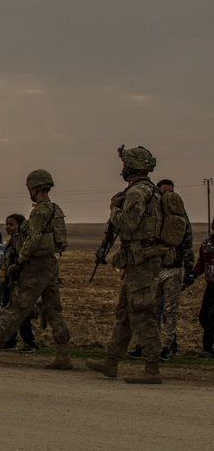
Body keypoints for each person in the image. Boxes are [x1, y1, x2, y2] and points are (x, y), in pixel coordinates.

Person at [0, 170, 73, 369]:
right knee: (53, 309)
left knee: (17, 306)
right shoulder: (56, 209)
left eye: (30, 188)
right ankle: (64, 354)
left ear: (35, 188)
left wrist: (20, 260)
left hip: (35, 266)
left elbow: (33, 238)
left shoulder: (39, 211)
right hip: (50, 264)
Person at [86, 146, 166, 384]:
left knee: (142, 314)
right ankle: (111, 361)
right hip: (138, 262)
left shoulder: (137, 192)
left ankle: (152, 367)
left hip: (141, 262)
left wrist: (113, 210)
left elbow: (129, 224)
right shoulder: (151, 191)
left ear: (131, 167)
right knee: (124, 314)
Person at [127, 178, 194, 361]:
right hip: (154, 268)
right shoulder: (153, 214)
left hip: (173, 268)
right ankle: (149, 346)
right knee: (151, 309)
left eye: (171, 192)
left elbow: (187, 242)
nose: (168, 196)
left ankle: (166, 347)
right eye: (165, 192)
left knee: (170, 311)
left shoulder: (179, 216)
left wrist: (189, 271)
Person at [0, 214, 39, 352]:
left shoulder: (22, 243)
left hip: (19, 283)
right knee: (8, 313)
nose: (7, 227)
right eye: (6, 224)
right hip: (9, 283)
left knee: (22, 314)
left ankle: (30, 342)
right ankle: (10, 341)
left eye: (11, 224)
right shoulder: (10, 242)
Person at [192, 220, 214, 358]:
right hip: (211, 285)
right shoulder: (206, 244)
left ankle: (208, 348)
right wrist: (191, 276)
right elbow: (201, 263)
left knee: (213, 316)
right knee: (204, 316)